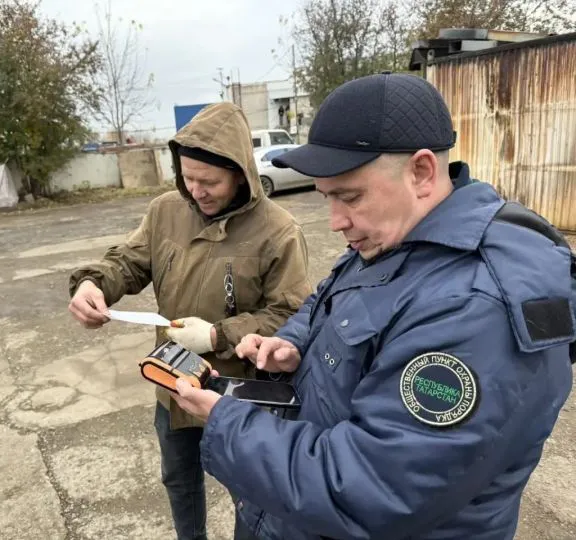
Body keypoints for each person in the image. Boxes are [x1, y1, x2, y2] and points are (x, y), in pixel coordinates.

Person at [172, 72, 575, 539]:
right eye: (327, 197)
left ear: (421, 172)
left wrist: (226, 421)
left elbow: (370, 488)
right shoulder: (398, 237)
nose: (335, 221)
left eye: (349, 196)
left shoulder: (474, 308)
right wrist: (294, 342)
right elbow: (329, 298)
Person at [67, 101, 313, 540]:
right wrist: (93, 283)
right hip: (174, 384)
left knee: (252, 495)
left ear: (240, 174)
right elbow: (128, 262)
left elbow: (290, 312)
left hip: (239, 394)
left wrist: (219, 335)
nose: (196, 190)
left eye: (209, 181)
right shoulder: (166, 211)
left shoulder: (278, 230)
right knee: (179, 481)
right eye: (188, 177)